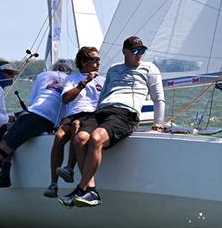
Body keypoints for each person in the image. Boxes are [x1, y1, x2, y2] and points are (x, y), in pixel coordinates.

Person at [59, 36, 165, 208]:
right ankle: (90, 190)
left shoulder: (150, 68)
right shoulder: (114, 68)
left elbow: (159, 99)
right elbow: (104, 94)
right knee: (79, 139)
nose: (140, 54)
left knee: (96, 137)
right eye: (135, 51)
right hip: (103, 110)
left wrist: (157, 126)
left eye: (142, 51)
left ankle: (81, 189)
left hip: (126, 112)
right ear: (124, 52)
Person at [0, 59, 72, 206]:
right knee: (3, 132)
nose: (12, 77)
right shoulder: (72, 80)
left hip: (35, 116)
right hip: (50, 122)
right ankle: (5, 175)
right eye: (9, 73)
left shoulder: (44, 75)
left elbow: (33, 101)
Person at [43, 47, 104, 198]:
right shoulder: (71, 79)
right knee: (59, 135)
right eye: (94, 59)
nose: (97, 63)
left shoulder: (103, 80)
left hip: (91, 116)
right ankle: (53, 184)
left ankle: (71, 170)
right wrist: (84, 82)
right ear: (83, 62)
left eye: (98, 60)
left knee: (77, 126)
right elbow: (65, 99)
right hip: (72, 115)